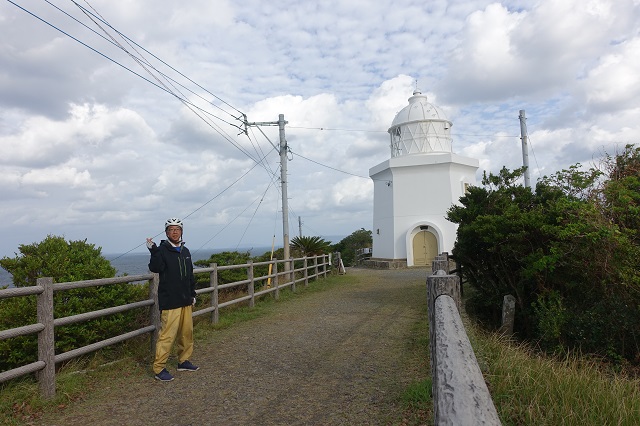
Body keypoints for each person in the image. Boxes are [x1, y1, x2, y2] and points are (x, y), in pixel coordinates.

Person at [147, 217, 199, 381]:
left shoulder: (185, 251)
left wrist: (192, 294)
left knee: (186, 333)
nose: (174, 232)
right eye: (171, 229)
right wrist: (154, 251)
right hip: (170, 300)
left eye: (177, 229)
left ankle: (183, 361)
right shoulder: (162, 250)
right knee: (167, 336)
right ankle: (159, 368)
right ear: (166, 232)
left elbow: (190, 275)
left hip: (185, 299)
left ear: (181, 232)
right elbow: (155, 268)